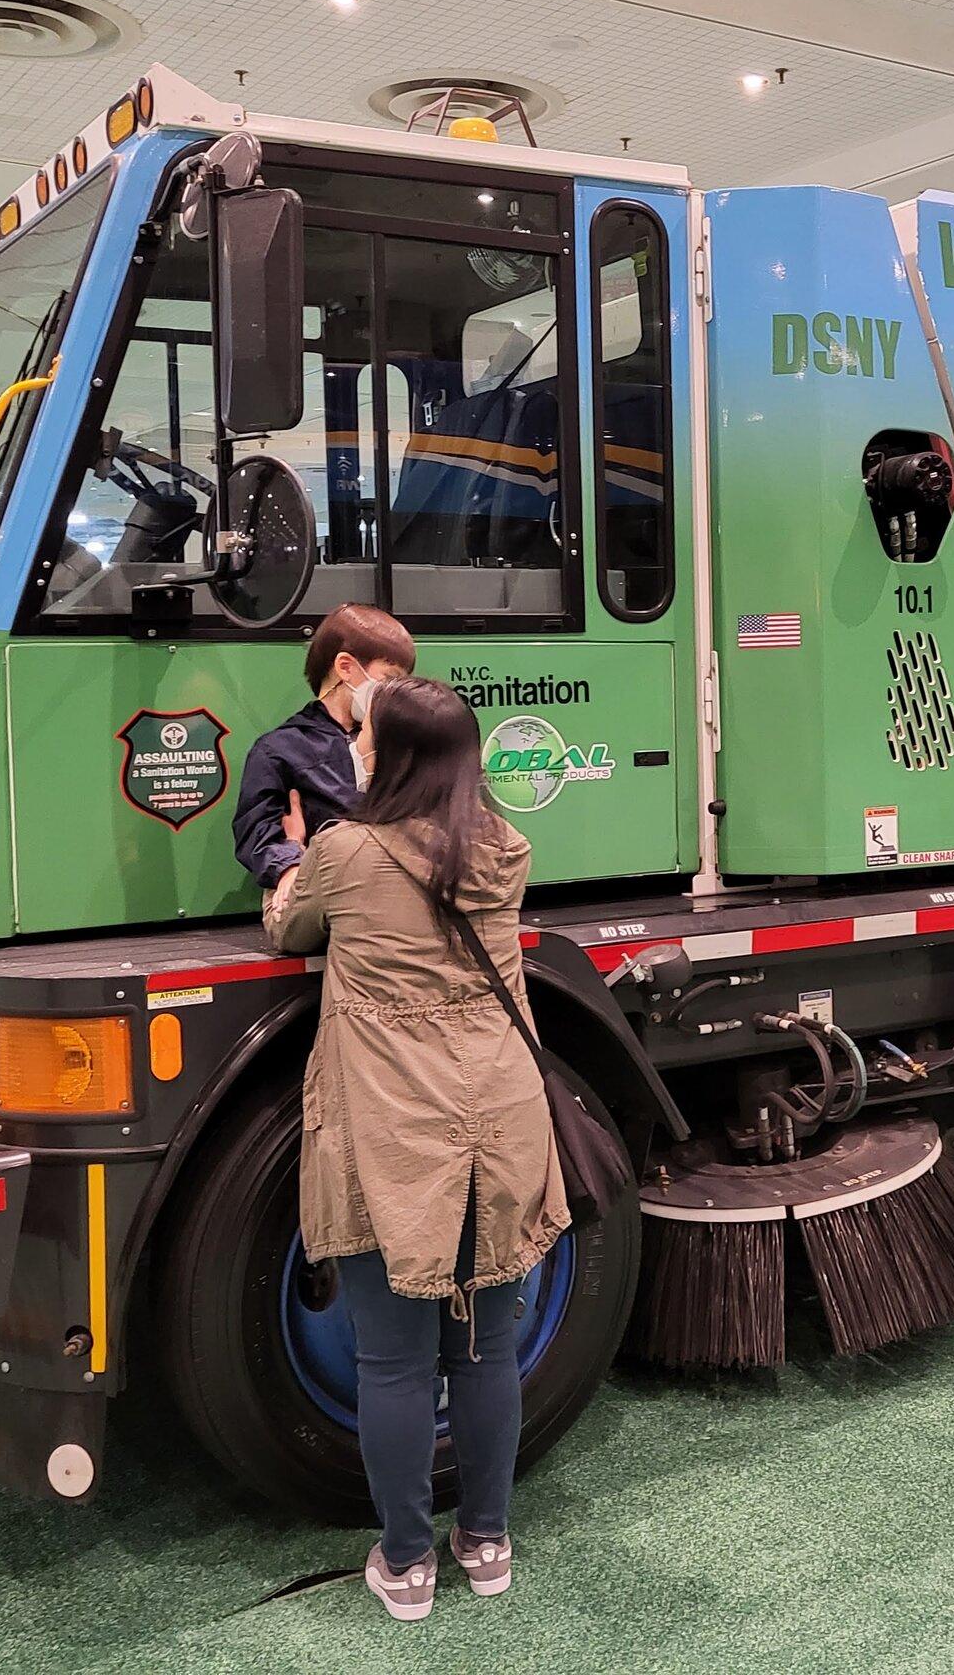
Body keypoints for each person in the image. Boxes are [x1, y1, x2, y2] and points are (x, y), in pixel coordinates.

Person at [264, 677, 567, 1622]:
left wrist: (295, 851)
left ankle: (406, 1564)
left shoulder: (344, 852)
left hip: (394, 1132)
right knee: (486, 1351)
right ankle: (487, 1543)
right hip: (500, 1123)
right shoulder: (505, 847)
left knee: (393, 1364)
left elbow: (288, 925)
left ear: (384, 757)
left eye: (364, 736)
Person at [231, 602, 416, 900]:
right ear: (345, 667)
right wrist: (290, 868)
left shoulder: (401, 740)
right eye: (390, 678)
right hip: (327, 890)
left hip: (395, 887)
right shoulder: (279, 750)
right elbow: (257, 831)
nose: (397, 692)